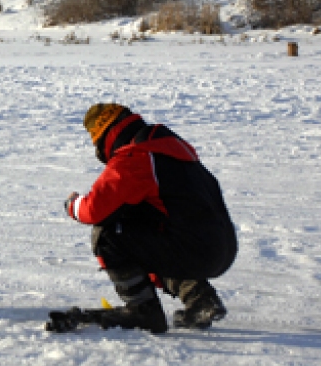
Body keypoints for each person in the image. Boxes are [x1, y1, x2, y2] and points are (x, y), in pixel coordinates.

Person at [53, 103, 238, 334]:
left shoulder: (136, 156)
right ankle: (200, 298)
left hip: (196, 250)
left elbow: (93, 210)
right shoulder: (169, 147)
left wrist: (72, 204)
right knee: (146, 225)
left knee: (109, 233)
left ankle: (142, 311)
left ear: (105, 136)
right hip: (222, 247)